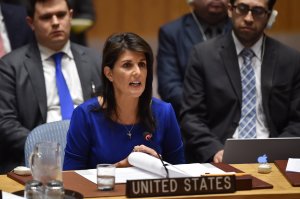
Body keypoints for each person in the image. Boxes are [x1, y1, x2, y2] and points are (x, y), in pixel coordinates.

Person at [181, 0, 300, 163]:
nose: (249, 18)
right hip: (220, 156)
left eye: (258, 11)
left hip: (274, 160)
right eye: (242, 9)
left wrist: (278, 152)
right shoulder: (203, 56)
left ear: (269, 16)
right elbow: (192, 117)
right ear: (230, 10)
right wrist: (214, 150)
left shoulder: (290, 60)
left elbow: (297, 121)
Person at [0, 0, 102, 173]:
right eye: (46, 17)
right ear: (31, 23)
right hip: (36, 162)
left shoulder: (96, 60)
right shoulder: (10, 66)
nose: (55, 22)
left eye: (61, 15)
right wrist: (48, 148)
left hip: (92, 159)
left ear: (70, 16)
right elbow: (6, 123)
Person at [63, 32, 185, 170]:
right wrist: (120, 168)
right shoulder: (85, 115)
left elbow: (180, 173)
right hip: (104, 191)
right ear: (109, 73)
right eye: (127, 65)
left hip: (150, 191)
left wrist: (161, 166)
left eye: (142, 64)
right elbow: (71, 178)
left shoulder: (164, 112)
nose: (138, 72)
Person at [157, 0, 231, 117]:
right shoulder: (172, 32)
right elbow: (169, 87)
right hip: (189, 118)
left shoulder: (243, 31)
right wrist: (205, 109)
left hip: (236, 119)